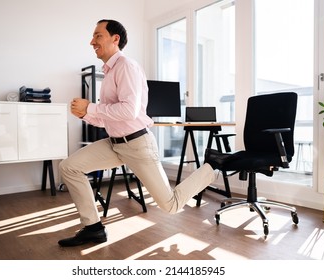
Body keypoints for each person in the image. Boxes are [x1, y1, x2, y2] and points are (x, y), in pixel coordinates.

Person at [58, 19, 219, 247]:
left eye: (98, 36)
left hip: (137, 144)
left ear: (115, 39)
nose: (91, 41)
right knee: (69, 166)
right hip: (115, 144)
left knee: (170, 205)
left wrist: (90, 107)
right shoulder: (110, 72)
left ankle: (212, 169)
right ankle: (93, 228)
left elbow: (128, 110)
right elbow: (109, 117)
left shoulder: (126, 66)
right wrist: (85, 114)